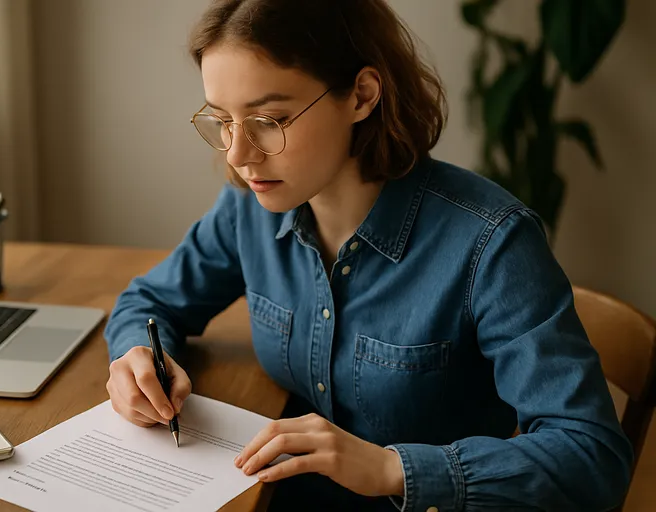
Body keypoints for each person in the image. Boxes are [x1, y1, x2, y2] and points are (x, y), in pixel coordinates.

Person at [103, 0, 633, 510]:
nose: (239, 155)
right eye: (223, 120)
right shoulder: (248, 208)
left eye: (271, 120)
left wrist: (390, 469)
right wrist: (137, 359)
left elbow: (592, 456)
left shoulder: (492, 243)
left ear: (361, 95)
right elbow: (150, 301)